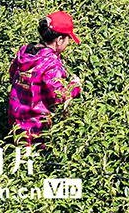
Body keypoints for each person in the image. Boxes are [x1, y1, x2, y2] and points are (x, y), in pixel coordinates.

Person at [8, 11, 82, 143]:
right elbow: (58, 97)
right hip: (37, 129)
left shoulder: (25, 51)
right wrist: (75, 86)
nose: (68, 43)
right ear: (59, 40)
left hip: (15, 123)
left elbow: (11, 73)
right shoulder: (51, 64)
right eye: (68, 39)